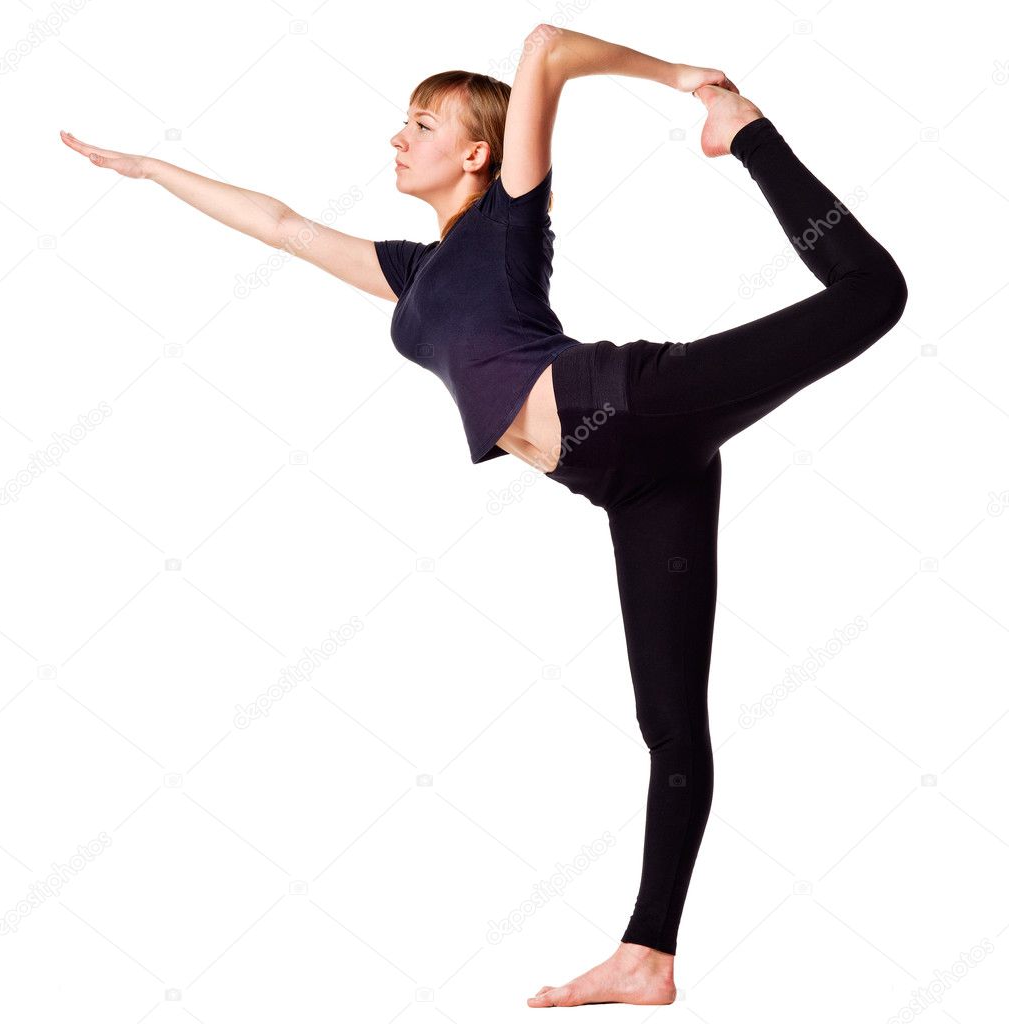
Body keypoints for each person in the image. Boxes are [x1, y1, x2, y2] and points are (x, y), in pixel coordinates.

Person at [59, 24, 907, 1009]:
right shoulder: (415, 277)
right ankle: (647, 954)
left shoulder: (509, 217)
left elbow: (544, 46)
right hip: (630, 481)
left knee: (869, 292)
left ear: (474, 153)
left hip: (632, 401)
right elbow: (282, 225)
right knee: (668, 721)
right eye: (400, 122)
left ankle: (747, 131)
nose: (396, 137)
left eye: (420, 123)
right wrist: (154, 170)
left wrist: (687, 83)